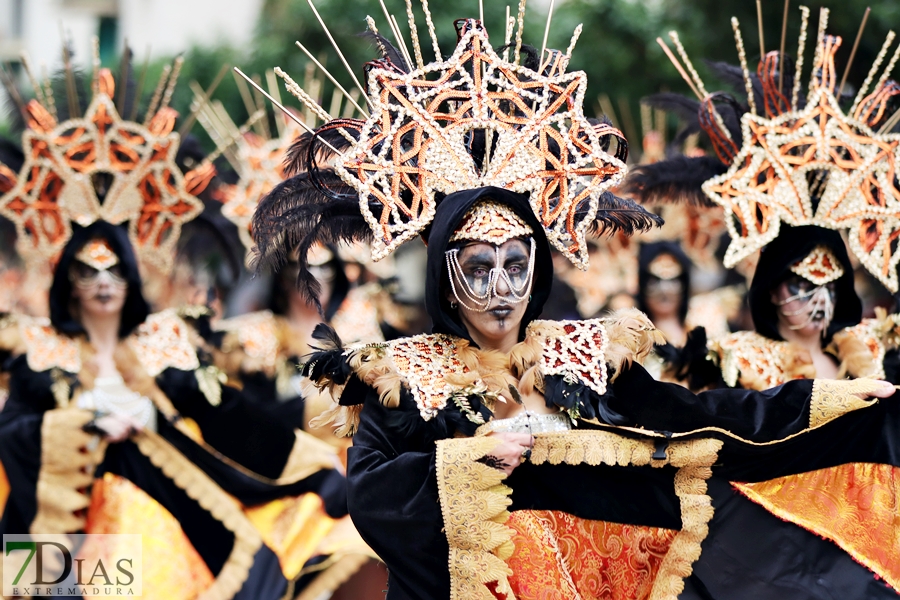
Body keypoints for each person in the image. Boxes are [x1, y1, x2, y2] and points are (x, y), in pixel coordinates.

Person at [252, 14, 899, 599]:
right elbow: (371, 493)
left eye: (516, 265)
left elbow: (708, 419)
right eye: (478, 268)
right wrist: (463, 461)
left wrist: (835, 405)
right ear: (445, 281)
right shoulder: (408, 377)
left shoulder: (586, 359)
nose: (501, 288)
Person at [625, 6, 900, 596]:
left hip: (871, 551)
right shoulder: (736, 360)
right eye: (799, 285)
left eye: (827, 284)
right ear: (771, 292)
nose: (815, 301)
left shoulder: (873, 347)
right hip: (771, 557)